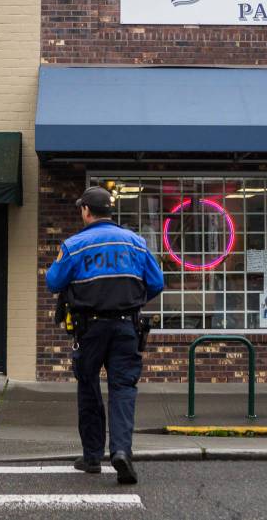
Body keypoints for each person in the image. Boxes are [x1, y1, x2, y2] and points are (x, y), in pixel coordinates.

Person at [46, 186, 164, 485]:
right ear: (110, 211)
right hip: (126, 326)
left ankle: (92, 457)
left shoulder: (75, 244)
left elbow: (53, 281)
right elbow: (157, 282)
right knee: (123, 389)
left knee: (89, 387)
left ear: (86, 210)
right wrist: (132, 300)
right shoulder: (136, 243)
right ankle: (122, 451)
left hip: (90, 328)